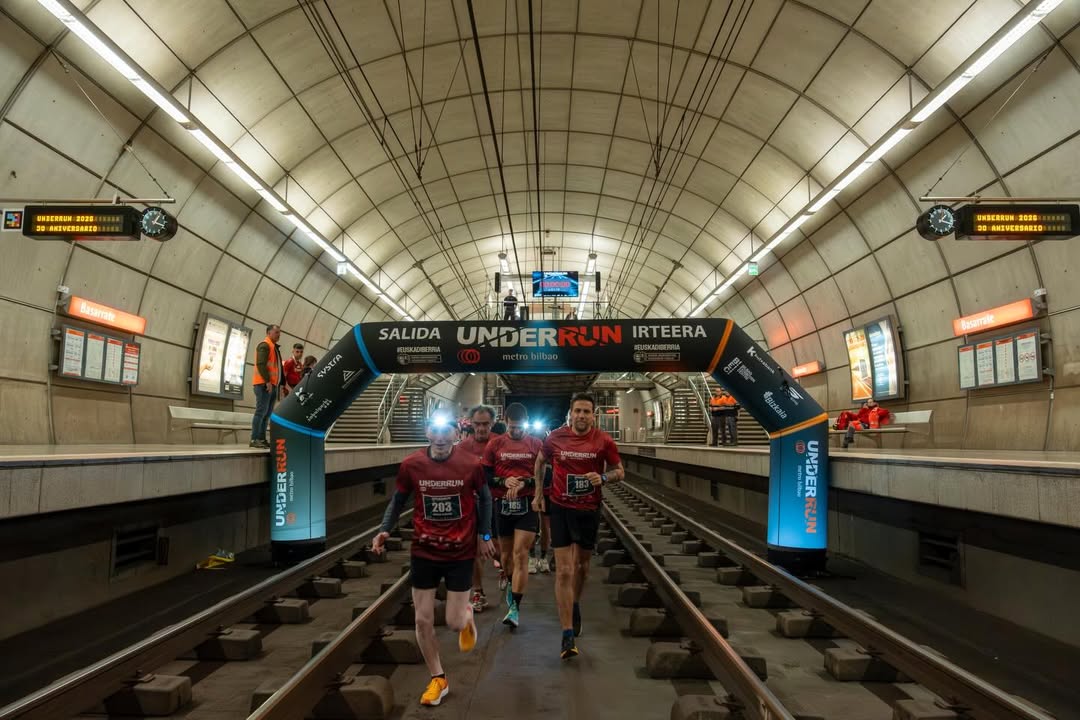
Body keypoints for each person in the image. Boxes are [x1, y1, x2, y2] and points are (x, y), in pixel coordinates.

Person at [372, 414, 495, 706]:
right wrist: (384, 530)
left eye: (446, 431)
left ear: (456, 433)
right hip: (424, 551)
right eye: (435, 431)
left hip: (460, 553)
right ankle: (438, 679)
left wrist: (485, 535)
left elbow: (486, 498)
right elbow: (398, 500)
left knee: (452, 623)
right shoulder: (411, 465)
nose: (440, 437)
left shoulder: (471, 465)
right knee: (422, 619)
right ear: (428, 432)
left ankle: (465, 618)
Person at [533, 392, 624, 659]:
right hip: (561, 507)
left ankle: (574, 604)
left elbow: (620, 471)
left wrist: (604, 477)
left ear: (593, 415)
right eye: (578, 411)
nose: (582, 416)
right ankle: (567, 634)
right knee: (563, 570)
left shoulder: (603, 440)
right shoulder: (555, 438)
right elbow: (539, 461)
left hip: (588, 509)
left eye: (586, 412)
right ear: (570, 414)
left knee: (582, 567)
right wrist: (539, 493)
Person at [482, 402, 543, 629]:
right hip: (503, 504)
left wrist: (525, 481)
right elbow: (485, 475)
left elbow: (546, 476)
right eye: (512, 427)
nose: (516, 431)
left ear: (525, 424)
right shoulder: (495, 444)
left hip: (526, 504)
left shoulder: (536, 444)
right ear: (505, 423)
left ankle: (515, 608)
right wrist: (502, 481)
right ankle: (509, 583)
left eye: (519, 427)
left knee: (521, 554)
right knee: (506, 556)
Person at [456, 405, 498, 611]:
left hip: (499, 505)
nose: (481, 428)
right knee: (475, 552)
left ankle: (505, 572)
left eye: (485, 424)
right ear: (471, 424)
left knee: (497, 548)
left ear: (492, 424)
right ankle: (478, 592)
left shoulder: (501, 444)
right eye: (477, 424)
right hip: (474, 507)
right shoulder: (462, 448)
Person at [250, 324, 283, 448]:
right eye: (276, 332)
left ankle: (261, 438)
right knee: (260, 412)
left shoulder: (274, 347)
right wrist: (267, 381)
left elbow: (277, 368)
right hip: (263, 384)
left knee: (267, 414)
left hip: (272, 385)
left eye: (279, 333)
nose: (278, 335)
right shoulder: (264, 345)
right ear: (269, 333)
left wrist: (278, 385)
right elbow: (261, 364)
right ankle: (254, 439)